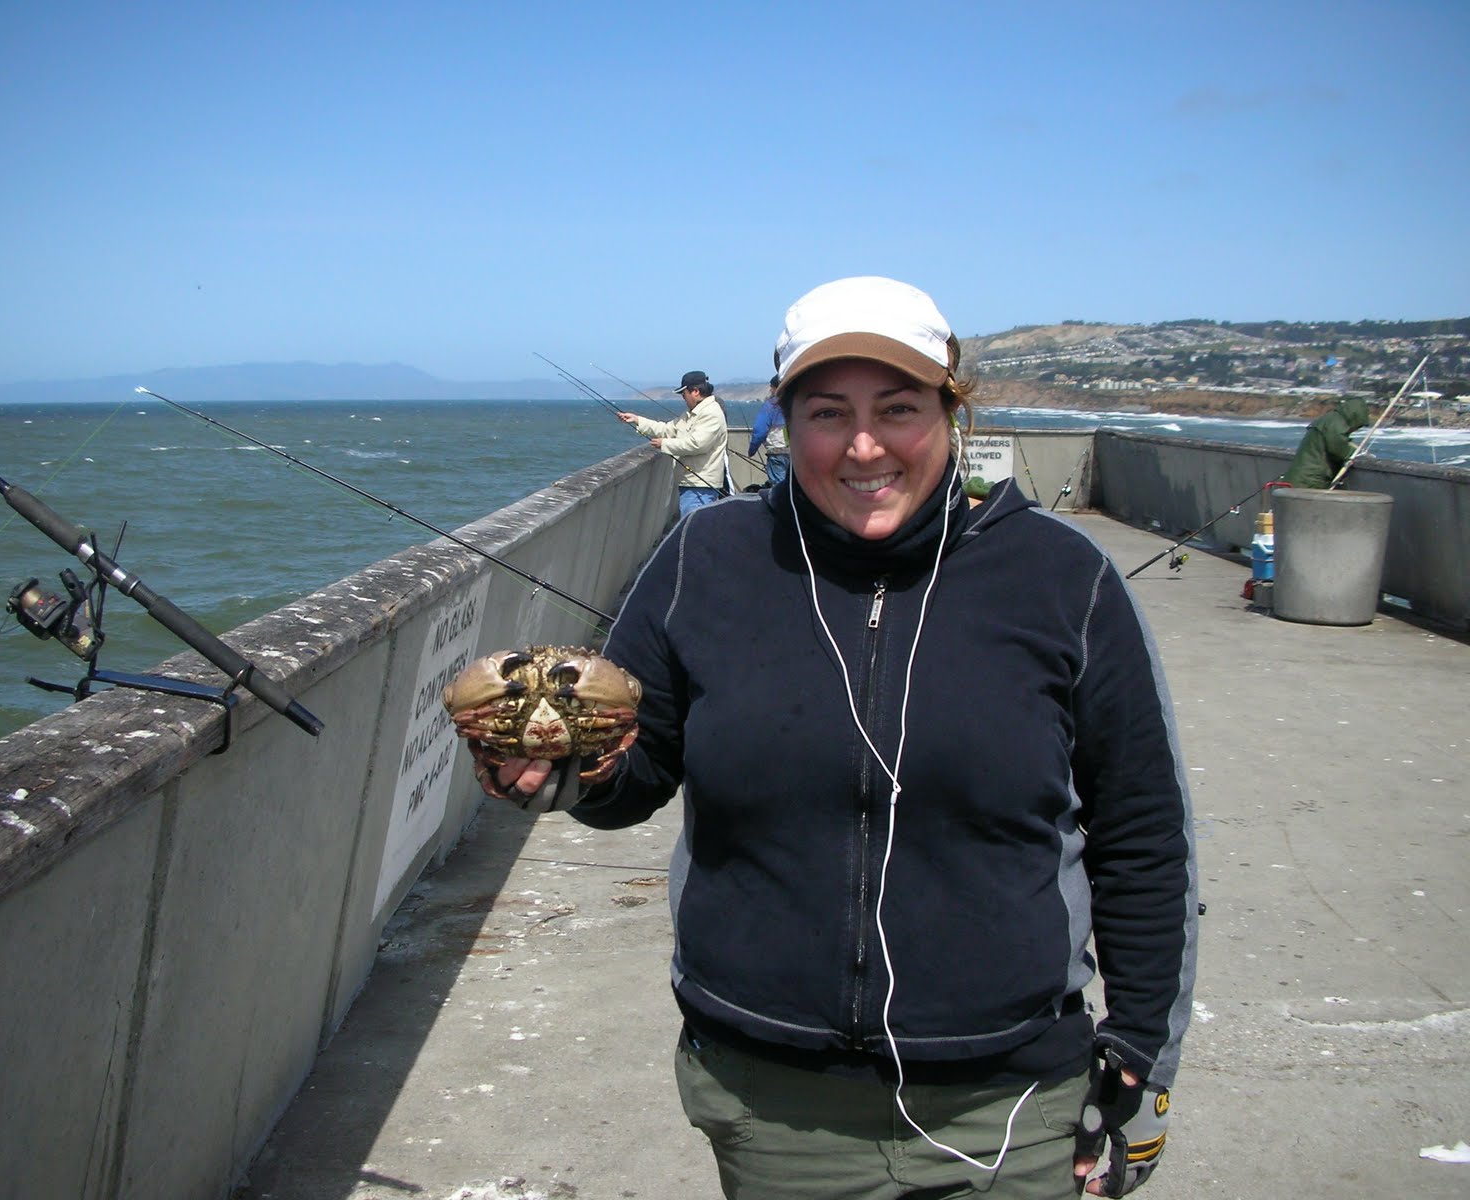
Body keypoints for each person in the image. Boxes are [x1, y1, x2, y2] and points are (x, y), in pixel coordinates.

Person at [468, 276, 1198, 1199]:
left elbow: (1142, 832)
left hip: (1010, 1105)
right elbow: (638, 774)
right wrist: (563, 775)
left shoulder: (1065, 580)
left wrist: (1141, 1052)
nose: (863, 445)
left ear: (949, 412)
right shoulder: (704, 561)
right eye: (826, 413)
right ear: (783, 420)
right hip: (775, 1105)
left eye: (897, 407)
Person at [619, 370, 730, 517]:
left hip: (700, 486)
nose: (684, 399)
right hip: (690, 483)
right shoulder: (692, 413)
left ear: (695, 391)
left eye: (684, 395)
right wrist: (637, 420)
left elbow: (697, 444)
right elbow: (667, 429)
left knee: (694, 533)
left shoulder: (711, 413)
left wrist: (665, 444)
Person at [1282, 396, 1371, 488]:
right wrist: (1358, 454)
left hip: (1303, 476)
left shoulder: (1330, 419)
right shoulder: (1335, 424)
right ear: (1354, 417)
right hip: (1310, 479)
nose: (1355, 429)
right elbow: (1338, 448)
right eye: (1358, 426)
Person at [747, 374, 791, 487]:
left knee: (779, 487)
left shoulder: (771, 405)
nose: (770, 390)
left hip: (777, 452)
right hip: (797, 453)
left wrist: (752, 450)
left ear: (778, 388)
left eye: (772, 387)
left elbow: (760, 431)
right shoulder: (796, 403)